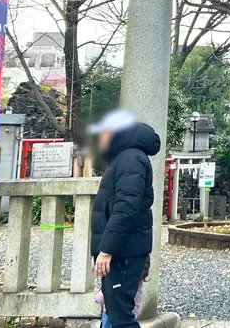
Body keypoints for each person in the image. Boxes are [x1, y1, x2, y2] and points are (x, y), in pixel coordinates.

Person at [89, 108, 161, 328]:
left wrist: (107, 250)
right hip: (123, 248)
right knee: (114, 311)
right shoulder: (125, 158)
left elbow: (125, 208)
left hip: (123, 250)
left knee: (121, 317)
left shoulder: (130, 159)